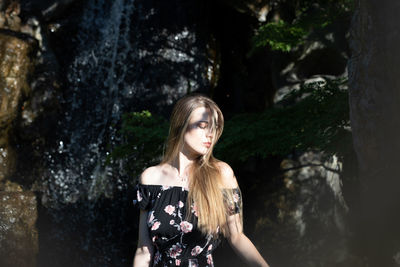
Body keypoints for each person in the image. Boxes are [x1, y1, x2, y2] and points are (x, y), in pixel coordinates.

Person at [133, 94, 269, 267]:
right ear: (180, 125)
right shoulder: (150, 179)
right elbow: (144, 249)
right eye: (202, 126)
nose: (210, 134)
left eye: (213, 128)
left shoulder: (221, 174)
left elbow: (236, 237)